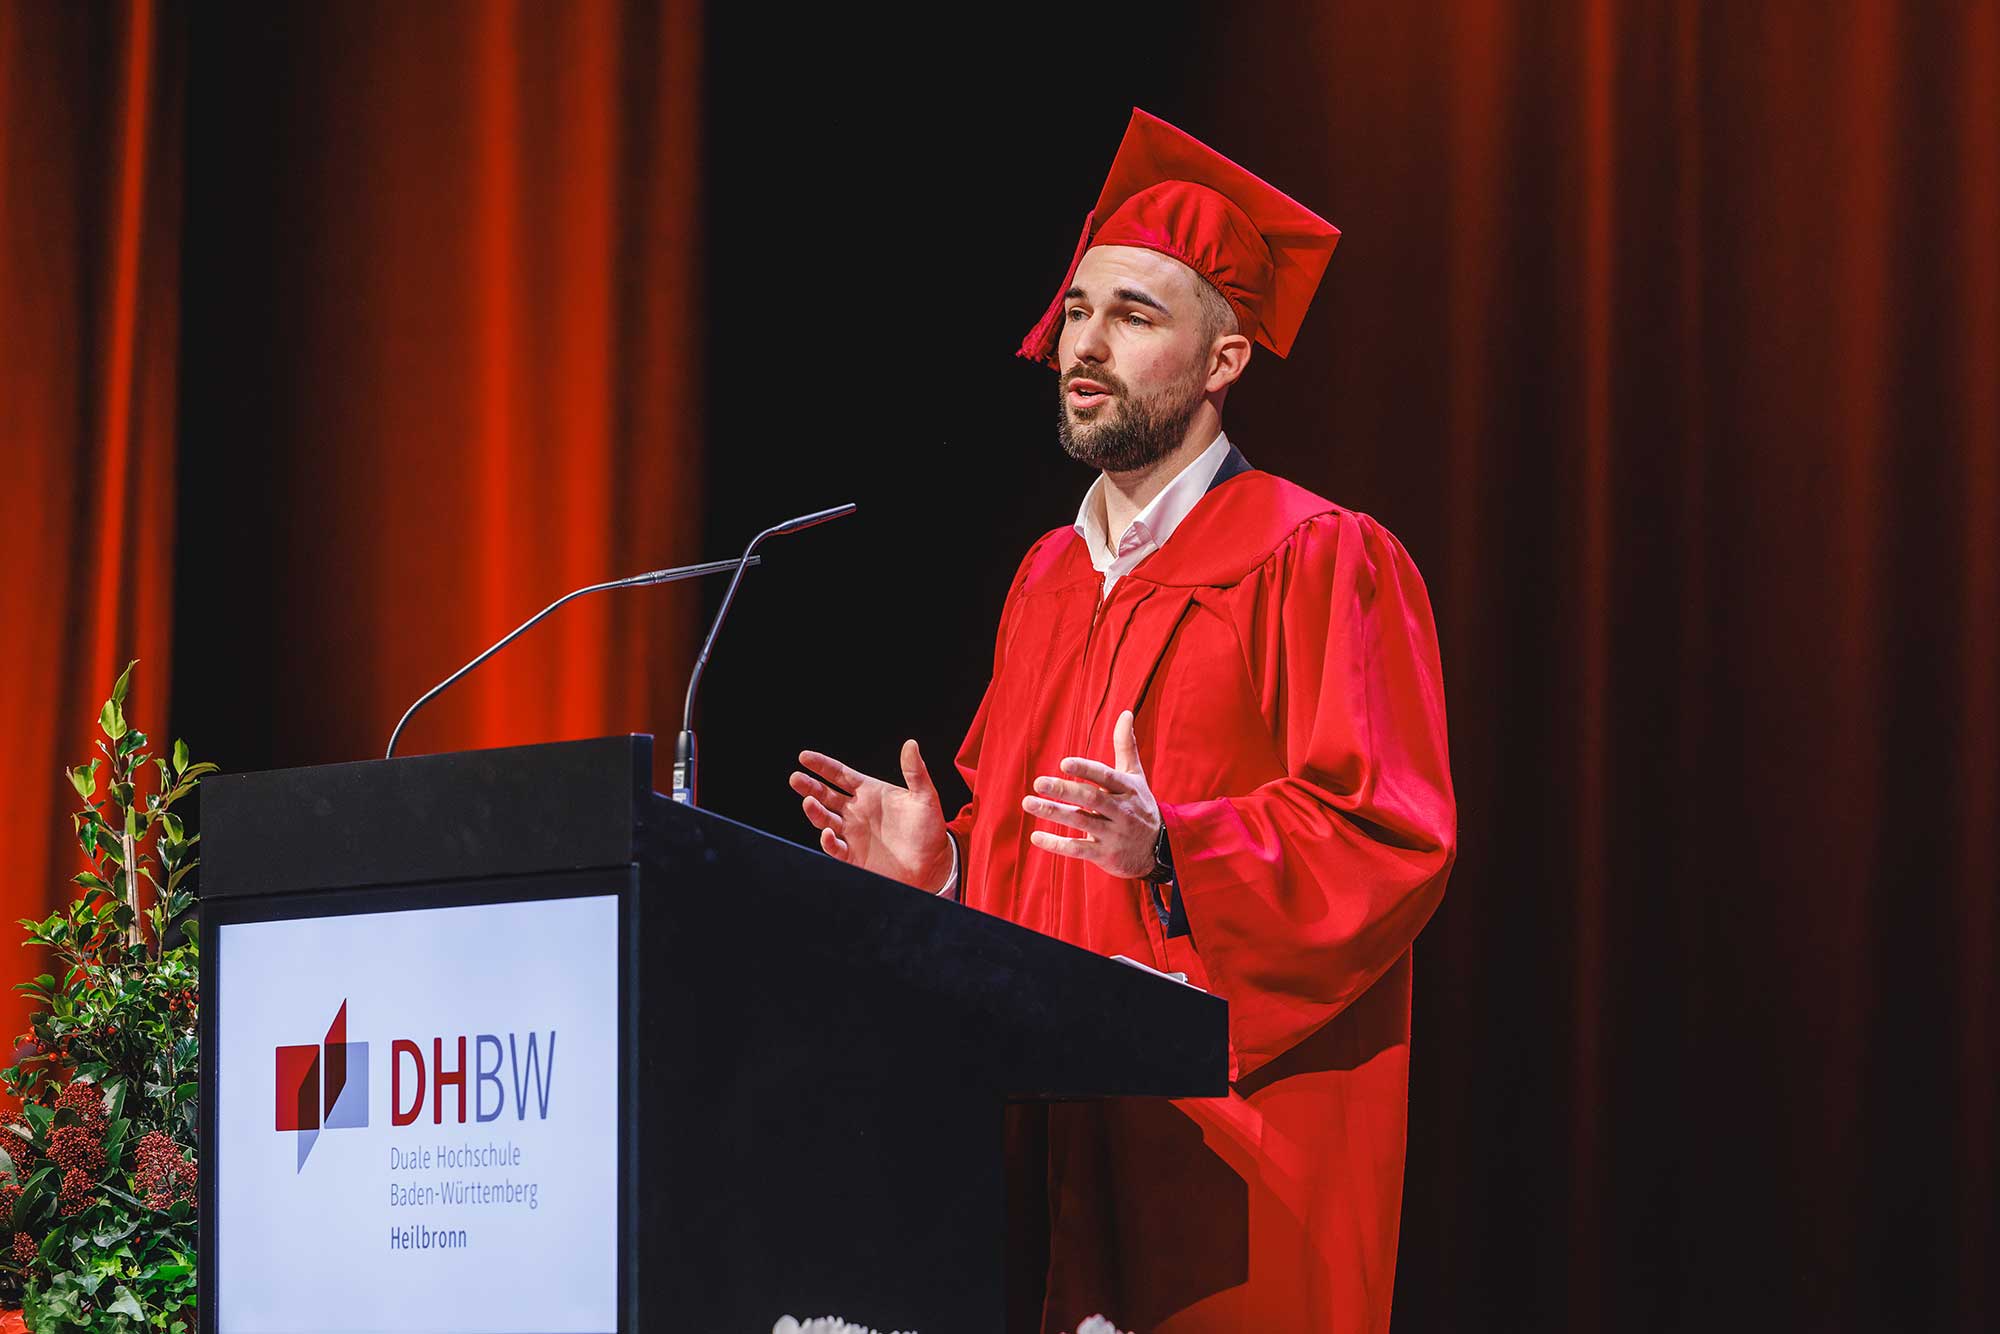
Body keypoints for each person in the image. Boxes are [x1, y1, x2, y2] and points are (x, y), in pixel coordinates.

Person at [790, 108, 1456, 1334]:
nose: (1083, 345)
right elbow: (1029, 862)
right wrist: (941, 872)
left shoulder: (1318, 557)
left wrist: (1174, 847)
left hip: (1232, 1159)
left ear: (1223, 361)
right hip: (1046, 1140)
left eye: (1135, 315)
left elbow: (1383, 834)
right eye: (1079, 310)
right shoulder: (1046, 576)